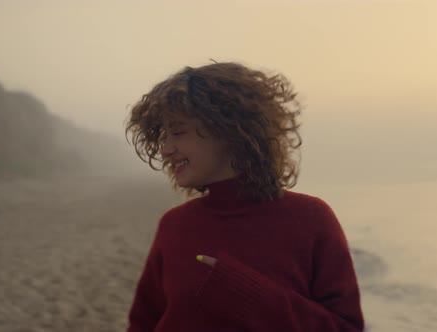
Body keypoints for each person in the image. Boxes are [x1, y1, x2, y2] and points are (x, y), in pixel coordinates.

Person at [124, 61, 364, 331]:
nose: (166, 149)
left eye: (178, 132)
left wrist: (246, 293)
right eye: (163, 136)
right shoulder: (175, 224)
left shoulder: (310, 219)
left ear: (229, 130)